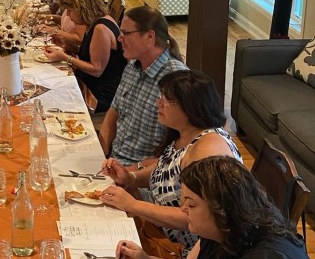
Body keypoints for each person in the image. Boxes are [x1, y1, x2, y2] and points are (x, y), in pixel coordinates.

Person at [100, 70, 242, 254]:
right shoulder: (184, 134)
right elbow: (166, 170)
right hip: (156, 228)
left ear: (190, 107)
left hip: (184, 250)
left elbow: (197, 218)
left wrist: (133, 205)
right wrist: (131, 178)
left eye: (166, 100)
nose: (158, 103)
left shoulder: (208, 150)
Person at [115, 156, 307, 259]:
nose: (183, 209)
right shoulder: (223, 230)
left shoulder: (267, 254)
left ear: (219, 207)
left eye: (191, 204)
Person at [99, 5, 187, 162]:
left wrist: (131, 175)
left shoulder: (175, 79)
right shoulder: (133, 65)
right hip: (115, 160)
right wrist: (101, 150)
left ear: (150, 37)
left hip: (141, 175)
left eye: (126, 33)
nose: (120, 38)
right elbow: (114, 110)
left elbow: (178, 152)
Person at [44, 0, 127, 113]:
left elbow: (97, 70)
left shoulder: (101, 29)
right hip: (90, 83)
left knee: (50, 98)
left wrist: (65, 57)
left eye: (71, 10)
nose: (69, 16)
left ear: (82, 9)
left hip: (99, 94)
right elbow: (90, 53)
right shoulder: (94, 23)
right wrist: (64, 45)